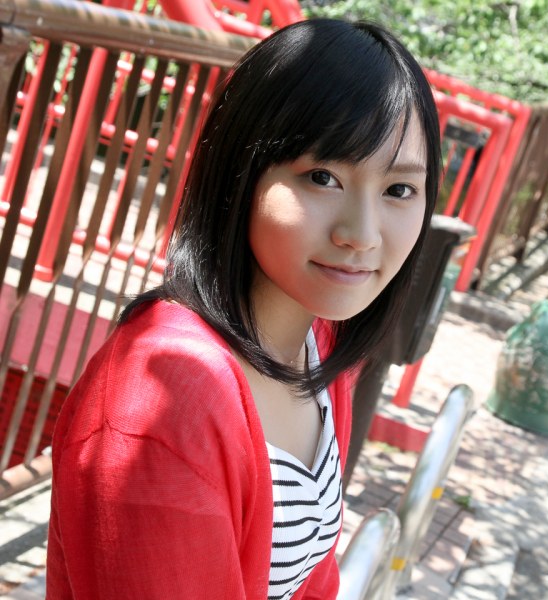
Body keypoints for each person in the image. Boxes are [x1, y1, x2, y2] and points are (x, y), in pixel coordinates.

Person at [46, 18, 441, 599]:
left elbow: (315, 581)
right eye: (323, 177)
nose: (362, 234)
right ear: (241, 174)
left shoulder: (317, 343)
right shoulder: (162, 407)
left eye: (398, 190)